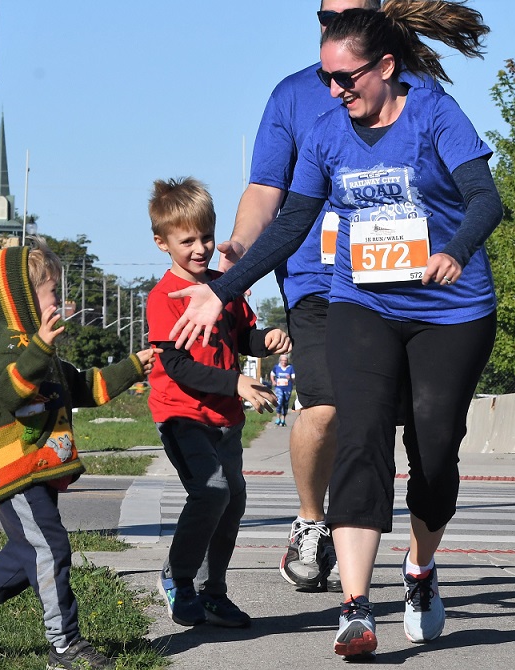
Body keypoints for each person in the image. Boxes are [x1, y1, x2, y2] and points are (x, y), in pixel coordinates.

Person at [167, 1, 499, 658]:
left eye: (347, 79)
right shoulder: (325, 133)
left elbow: (486, 198)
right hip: (362, 301)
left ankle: (421, 572)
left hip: (448, 305)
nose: (334, 90)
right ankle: (354, 607)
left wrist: (455, 249)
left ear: (384, 67)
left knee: (434, 449)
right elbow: (289, 226)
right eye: (327, 78)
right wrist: (222, 290)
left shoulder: (433, 110)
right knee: (360, 432)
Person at [219, 0, 443, 594]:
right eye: (322, 15)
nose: (329, 23)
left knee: (406, 428)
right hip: (318, 282)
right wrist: (242, 244)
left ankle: (415, 558)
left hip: (399, 280)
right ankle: (311, 521)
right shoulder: (293, 95)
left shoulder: (410, 87)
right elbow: (267, 186)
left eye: (344, 13)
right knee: (326, 405)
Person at [0, 237, 155, 670]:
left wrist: (133, 366)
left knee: (28, 552)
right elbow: (10, 389)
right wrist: (39, 348)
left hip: (38, 468)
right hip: (16, 469)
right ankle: (64, 645)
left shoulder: (43, 352)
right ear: (22, 298)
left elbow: (84, 387)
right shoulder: (4, 348)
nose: (61, 300)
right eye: (53, 291)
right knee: (51, 548)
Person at [146, 177, 291, 628]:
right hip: (181, 415)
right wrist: (237, 384)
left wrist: (264, 340)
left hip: (223, 420)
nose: (200, 247)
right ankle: (179, 579)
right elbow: (179, 367)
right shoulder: (162, 297)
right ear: (162, 243)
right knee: (210, 492)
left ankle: (214, 592)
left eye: (206, 236)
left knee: (233, 500)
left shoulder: (225, 286)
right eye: (186, 240)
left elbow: (242, 336)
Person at [270, 354, 295, 426]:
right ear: (280, 361)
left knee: (285, 403)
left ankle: (283, 419)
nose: (284, 362)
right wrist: (273, 381)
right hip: (279, 387)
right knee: (279, 401)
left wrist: (289, 378)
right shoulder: (276, 367)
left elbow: (293, 380)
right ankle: (278, 418)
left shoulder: (290, 368)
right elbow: (272, 374)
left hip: (287, 388)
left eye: (285, 360)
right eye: (282, 360)